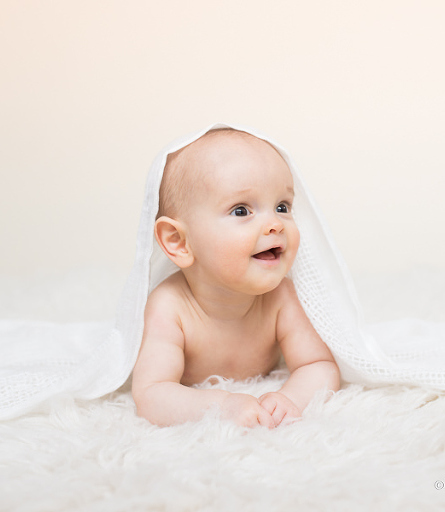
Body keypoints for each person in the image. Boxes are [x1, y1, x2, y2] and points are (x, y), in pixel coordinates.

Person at [131, 128, 340, 428]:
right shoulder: (169, 307)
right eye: (241, 210)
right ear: (178, 241)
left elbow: (318, 365)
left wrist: (291, 399)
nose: (274, 224)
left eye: (282, 207)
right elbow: (151, 394)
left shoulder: (282, 297)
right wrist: (221, 406)